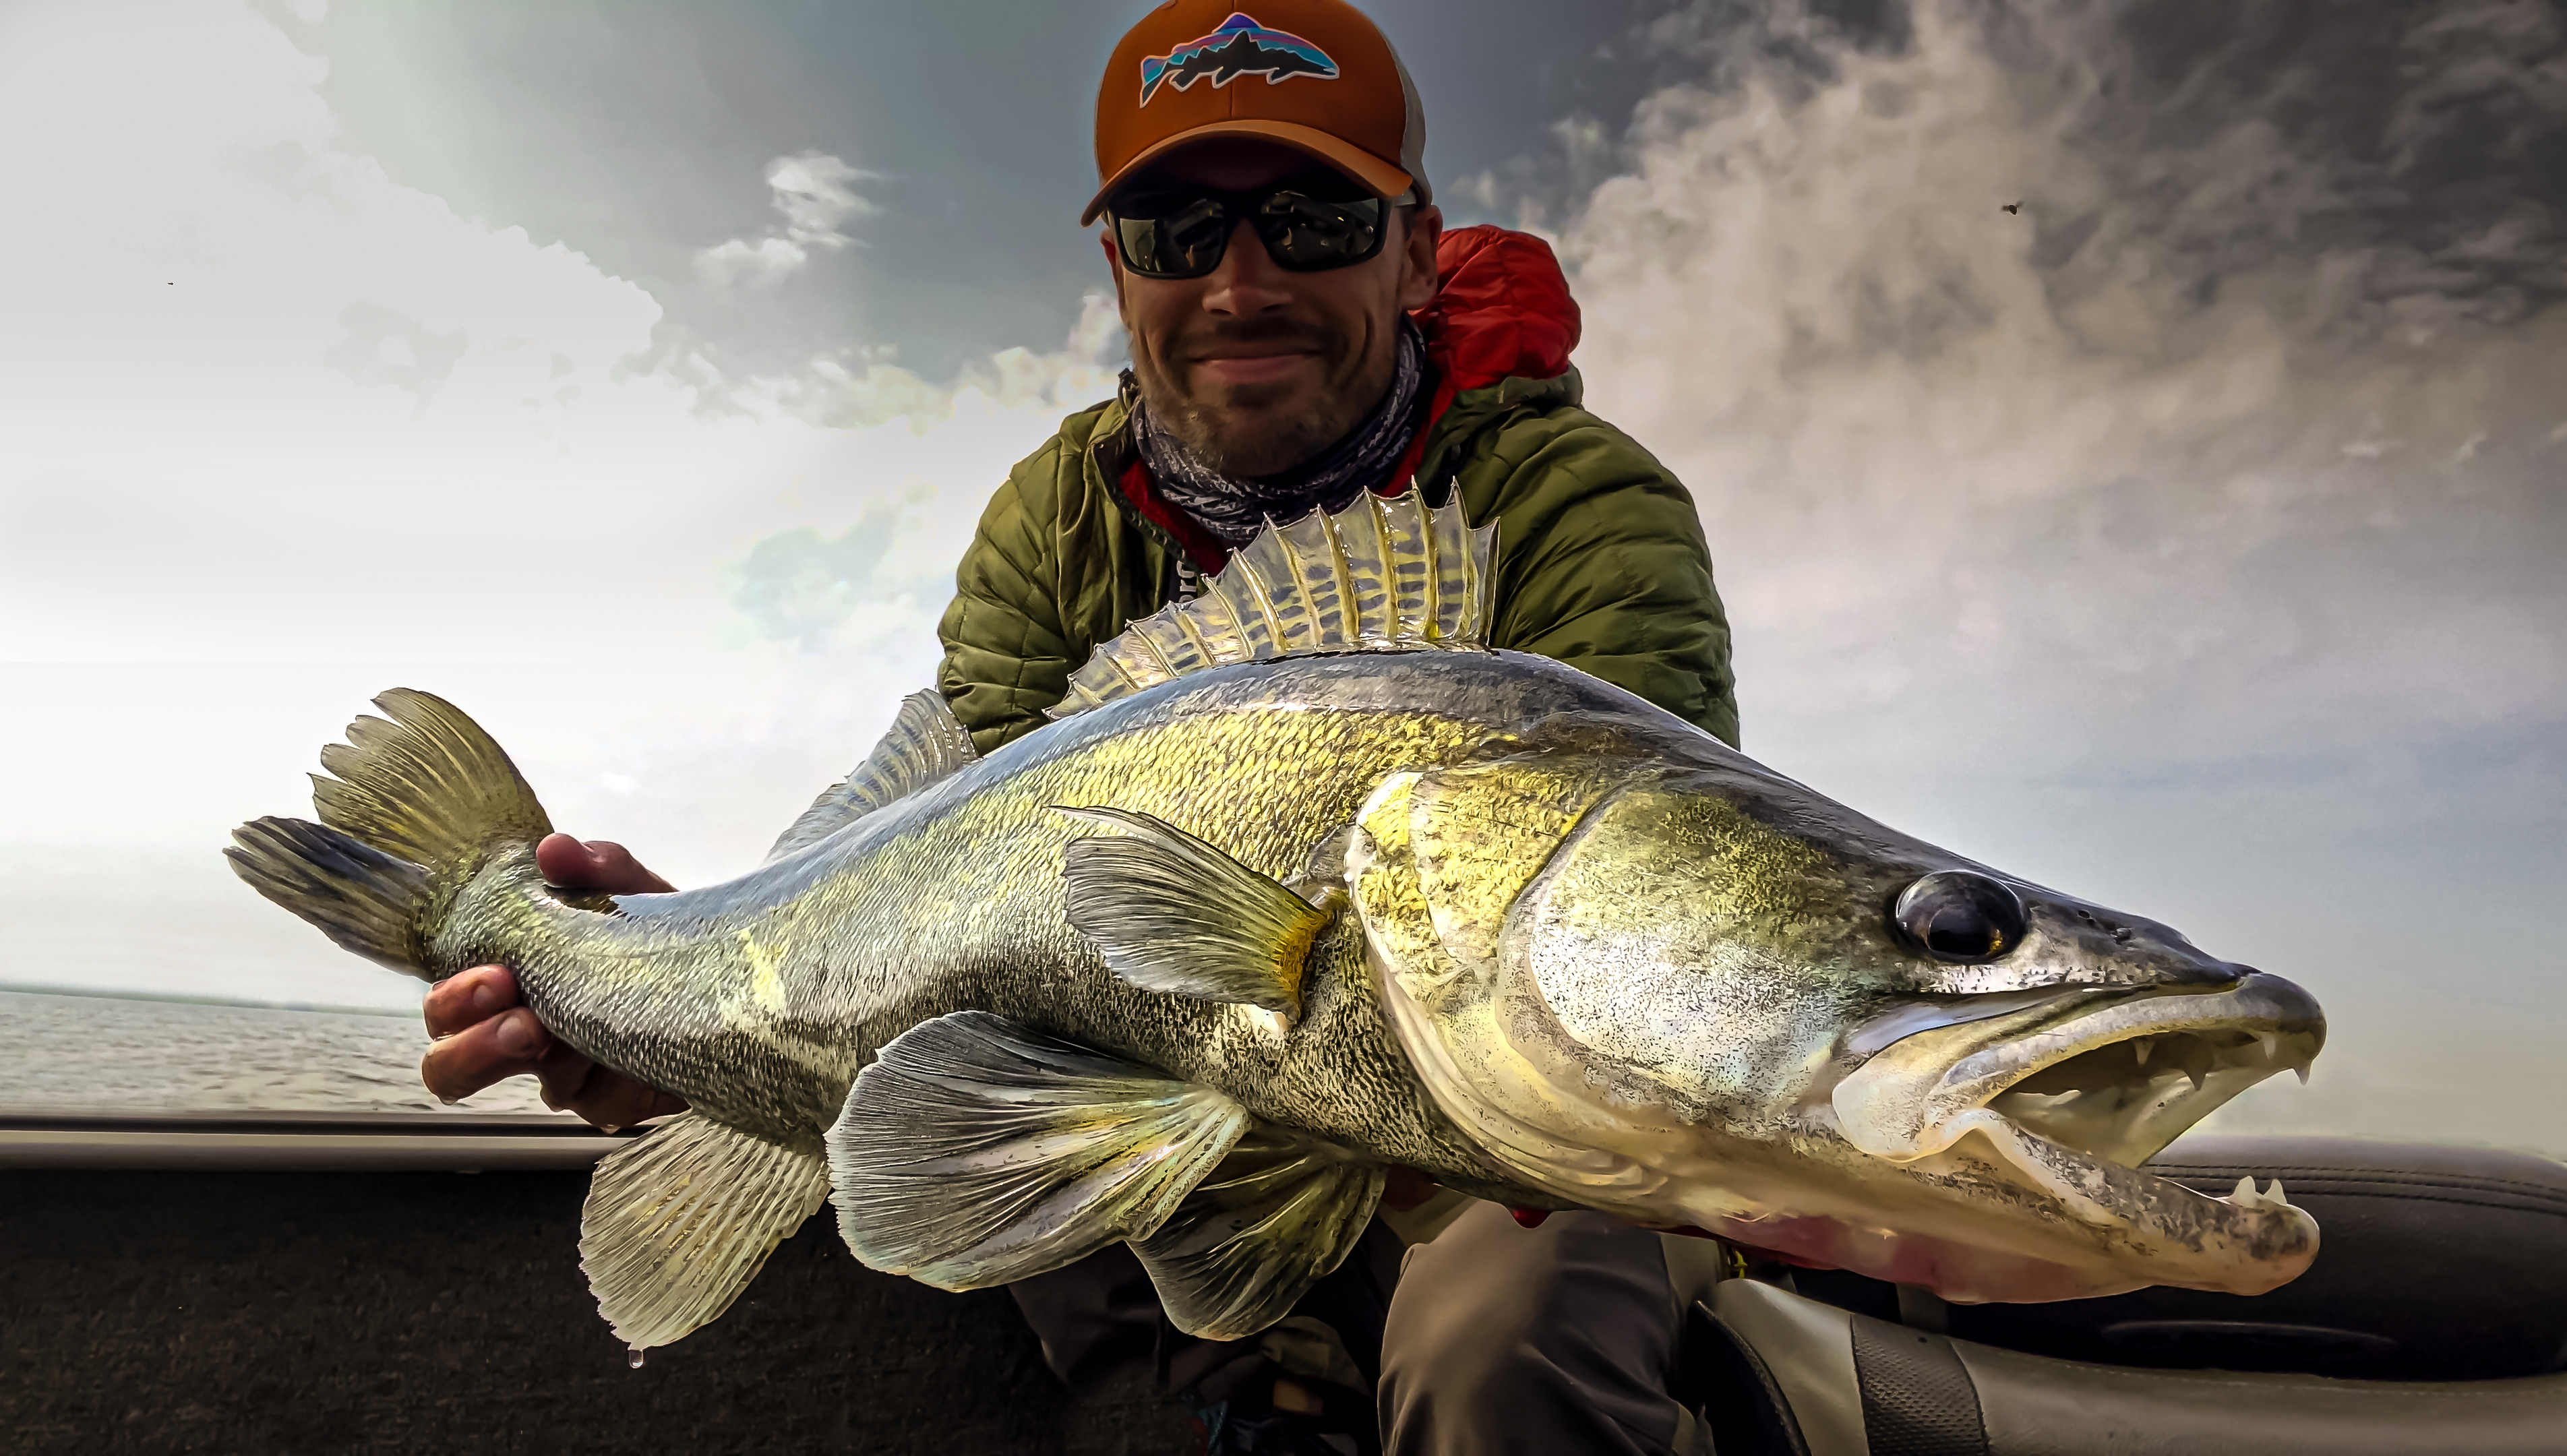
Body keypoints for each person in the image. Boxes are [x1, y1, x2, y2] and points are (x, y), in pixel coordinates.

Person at [421, 3, 1739, 1451]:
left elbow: (1625, 942)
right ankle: (1229, 1391)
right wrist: (708, 1005)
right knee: (1125, 1342)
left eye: (1312, 221)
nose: (1242, 284)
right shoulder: (1056, 513)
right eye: (1178, 232)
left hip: (1515, 1137)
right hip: (1160, 1125)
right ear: (1119, 272)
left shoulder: (1583, 504)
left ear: (1417, 249)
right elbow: (927, 865)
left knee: (1510, 1350)